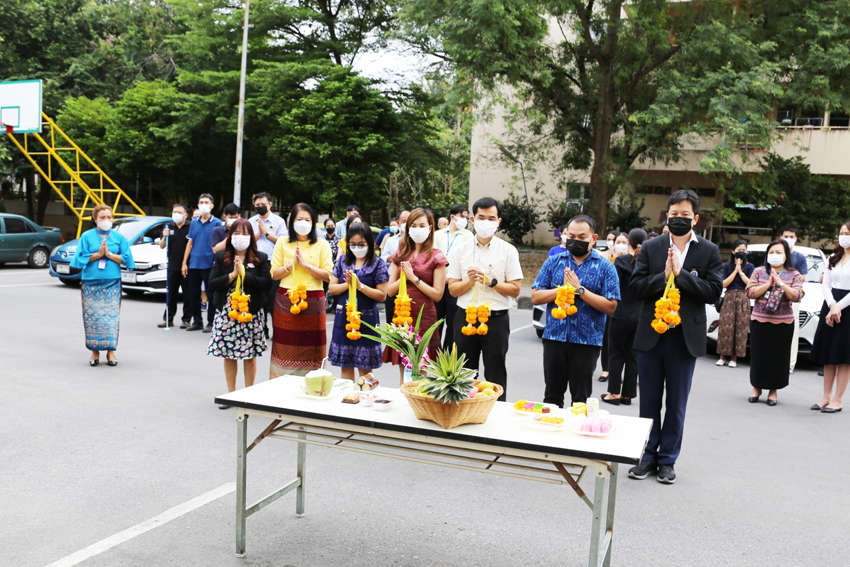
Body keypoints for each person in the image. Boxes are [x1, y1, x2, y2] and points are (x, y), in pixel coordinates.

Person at [628, 190, 722, 485]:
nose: (678, 218)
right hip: (652, 334)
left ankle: (667, 460)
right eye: (674, 214)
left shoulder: (709, 250)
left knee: (677, 404)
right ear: (666, 216)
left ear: (695, 218)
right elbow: (636, 288)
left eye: (685, 215)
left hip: (684, 337)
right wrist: (663, 275)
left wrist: (683, 275)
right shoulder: (651, 247)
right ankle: (646, 456)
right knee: (649, 402)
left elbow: (713, 292)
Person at [531, 215, 620, 407]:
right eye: (571, 236)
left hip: (587, 342)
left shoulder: (605, 267)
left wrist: (580, 290)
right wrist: (563, 289)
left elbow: (611, 306)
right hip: (554, 338)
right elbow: (536, 296)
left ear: (594, 238)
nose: (575, 241)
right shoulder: (553, 262)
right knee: (552, 398)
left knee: (580, 400)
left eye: (582, 237)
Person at [448, 197, 523, 400]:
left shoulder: (508, 250)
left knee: (495, 373)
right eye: (481, 217)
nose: (486, 222)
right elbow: (453, 290)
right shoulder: (460, 250)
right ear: (473, 219)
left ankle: (496, 413)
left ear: (499, 222)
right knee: (463, 374)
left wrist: (491, 282)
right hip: (465, 318)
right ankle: (463, 411)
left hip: (496, 319)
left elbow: (515, 289)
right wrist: (469, 281)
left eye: (491, 218)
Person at [207, 219, 273, 409]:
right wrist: (232, 275)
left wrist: (244, 274)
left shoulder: (260, 257)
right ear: (230, 236)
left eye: (245, 234)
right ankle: (231, 394)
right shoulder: (222, 256)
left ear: (251, 237)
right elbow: (213, 283)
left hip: (250, 313)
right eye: (236, 233)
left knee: (249, 355)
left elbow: (266, 283)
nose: (240, 238)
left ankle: (248, 395)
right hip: (227, 313)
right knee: (229, 354)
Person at [269, 203, 333, 378]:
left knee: (312, 344)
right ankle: (281, 381)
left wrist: (306, 266)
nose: (303, 223)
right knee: (285, 343)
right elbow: (274, 274)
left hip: (313, 300)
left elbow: (328, 276)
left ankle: (313, 381)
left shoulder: (322, 244)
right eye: (299, 219)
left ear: (313, 223)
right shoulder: (282, 242)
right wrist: (291, 266)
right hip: (286, 299)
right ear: (292, 222)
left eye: (307, 219)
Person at [384, 208, 447, 382]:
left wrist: (414, 278)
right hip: (402, 317)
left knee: (421, 368)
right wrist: (405, 278)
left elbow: (438, 294)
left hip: (424, 316)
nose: (417, 229)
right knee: (403, 367)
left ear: (430, 228)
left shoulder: (436, 256)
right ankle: (404, 396)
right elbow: (390, 290)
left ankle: (419, 398)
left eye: (422, 225)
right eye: (413, 225)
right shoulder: (401, 254)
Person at [70, 205, 136, 366]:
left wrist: (109, 255)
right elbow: (78, 260)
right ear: (95, 219)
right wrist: (98, 255)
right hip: (91, 282)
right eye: (102, 217)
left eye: (109, 217)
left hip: (112, 282)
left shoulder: (119, 237)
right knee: (92, 318)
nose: (106, 220)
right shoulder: (86, 236)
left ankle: (111, 352)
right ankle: (94, 352)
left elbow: (127, 259)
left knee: (111, 319)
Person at [327, 222, 390, 380]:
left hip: (366, 321)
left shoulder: (378, 264)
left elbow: (382, 295)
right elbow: (332, 288)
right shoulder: (343, 261)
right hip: (345, 319)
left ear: (369, 243)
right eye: (352, 244)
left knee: (365, 370)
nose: (356, 247)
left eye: (361, 244)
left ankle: (366, 393)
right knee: (346, 366)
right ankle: (348, 394)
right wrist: (349, 284)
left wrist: (360, 286)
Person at [745, 240, 804, 406]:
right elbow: (749, 292)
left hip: (783, 324)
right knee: (759, 355)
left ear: (786, 256)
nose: (774, 255)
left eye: (779, 252)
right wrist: (769, 284)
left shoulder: (794, 274)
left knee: (778, 358)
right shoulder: (759, 272)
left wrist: (781, 284)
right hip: (760, 320)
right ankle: (756, 388)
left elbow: (797, 296)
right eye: (771, 252)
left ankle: (773, 390)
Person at [602, 228, 647, 405]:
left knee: (615, 354)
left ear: (629, 242)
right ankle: (628, 394)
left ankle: (614, 393)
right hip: (640, 316)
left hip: (620, 314)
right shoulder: (648, 263)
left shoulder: (621, 261)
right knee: (632, 356)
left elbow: (613, 286)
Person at [809, 221, 850, 413]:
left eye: (847, 233)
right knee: (829, 353)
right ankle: (826, 396)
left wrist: (838, 307)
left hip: (847, 309)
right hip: (830, 304)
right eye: (841, 233)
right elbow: (825, 284)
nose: (843, 236)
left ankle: (838, 399)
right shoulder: (832, 258)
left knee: (844, 356)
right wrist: (832, 305)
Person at [435, 204, 474, 350]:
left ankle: (448, 355)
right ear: (452, 216)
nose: (464, 219)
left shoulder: (468, 236)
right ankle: (433, 354)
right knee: (436, 322)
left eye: (466, 217)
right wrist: (441, 275)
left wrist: (452, 276)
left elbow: (468, 259)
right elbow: (433, 255)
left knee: (453, 322)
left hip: (455, 284)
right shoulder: (438, 235)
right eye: (462, 216)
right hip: (437, 283)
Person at [182, 194, 222, 333]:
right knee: (193, 294)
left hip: (210, 264)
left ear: (212, 205)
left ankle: (211, 322)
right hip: (194, 263)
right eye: (201, 202)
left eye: (206, 202)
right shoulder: (194, 222)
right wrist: (184, 263)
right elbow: (190, 243)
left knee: (211, 295)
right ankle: (197, 321)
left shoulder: (217, 223)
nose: (203, 204)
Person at [249, 192, 288, 334]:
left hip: (273, 263)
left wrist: (266, 233)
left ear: (270, 204)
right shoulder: (251, 221)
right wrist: (259, 233)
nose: (260, 207)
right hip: (255, 262)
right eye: (257, 205)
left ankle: (277, 330)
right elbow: (247, 241)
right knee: (257, 297)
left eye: (263, 204)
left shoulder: (279, 221)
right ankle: (261, 329)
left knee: (273, 298)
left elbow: (283, 241)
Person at [716, 239, 754, 368]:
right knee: (726, 327)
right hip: (729, 297)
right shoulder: (726, 266)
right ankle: (722, 356)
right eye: (739, 250)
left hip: (744, 297)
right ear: (733, 251)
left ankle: (734, 358)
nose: (741, 252)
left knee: (740, 328)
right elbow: (724, 284)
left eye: (744, 250)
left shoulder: (750, 267)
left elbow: (750, 284)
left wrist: (741, 272)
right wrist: (735, 270)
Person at [598, 232, 629, 382]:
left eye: (624, 242)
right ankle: (606, 369)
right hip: (609, 301)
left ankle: (622, 371)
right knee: (607, 336)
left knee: (625, 341)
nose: (620, 245)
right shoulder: (606, 258)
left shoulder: (633, 259)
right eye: (618, 242)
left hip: (627, 304)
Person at [779, 225, 809, 373]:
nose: (788, 239)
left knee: (792, 331)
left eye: (791, 237)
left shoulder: (800, 258)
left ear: (796, 239)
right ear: (781, 237)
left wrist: (787, 280)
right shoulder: (776, 254)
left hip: (792, 299)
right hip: (774, 298)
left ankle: (790, 364)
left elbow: (803, 277)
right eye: (786, 236)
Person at [158, 203, 192, 328]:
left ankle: (186, 319)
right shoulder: (168, 226)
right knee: (171, 293)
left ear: (185, 215)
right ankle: (168, 318)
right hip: (172, 265)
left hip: (187, 266)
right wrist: (164, 236)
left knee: (187, 294)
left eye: (179, 212)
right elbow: (162, 246)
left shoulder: (190, 227)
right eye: (174, 212)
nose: (176, 214)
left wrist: (185, 263)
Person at [381, 210, 410, 324]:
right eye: (404, 221)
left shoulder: (417, 241)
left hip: (410, 283)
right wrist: (398, 253)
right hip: (392, 282)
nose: (406, 224)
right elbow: (383, 259)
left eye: (409, 221)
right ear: (398, 222)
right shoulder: (391, 240)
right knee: (391, 318)